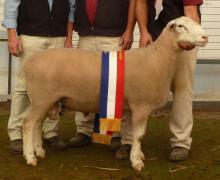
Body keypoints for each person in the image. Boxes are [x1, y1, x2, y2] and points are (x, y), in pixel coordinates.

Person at [2, 0, 75, 155]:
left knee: (56, 89)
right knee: (24, 87)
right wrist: (12, 36)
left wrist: (69, 38)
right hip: (30, 38)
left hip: (57, 38)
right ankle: (16, 134)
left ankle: (50, 132)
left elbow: (72, 7)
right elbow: (11, 5)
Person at [136, 0, 203, 161]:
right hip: (154, 38)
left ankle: (181, 142)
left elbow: (191, 10)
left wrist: (191, 39)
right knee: (140, 90)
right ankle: (132, 140)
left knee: (181, 88)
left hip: (182, 40)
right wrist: (144, 31)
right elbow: (141, 3)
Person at [69, 0, 136, 160]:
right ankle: (84, 130)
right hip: (85, 36)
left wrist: (129, 30)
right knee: (84, 85)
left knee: (116, 86)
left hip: (113, 37)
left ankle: (118, 135)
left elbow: (133, 3)